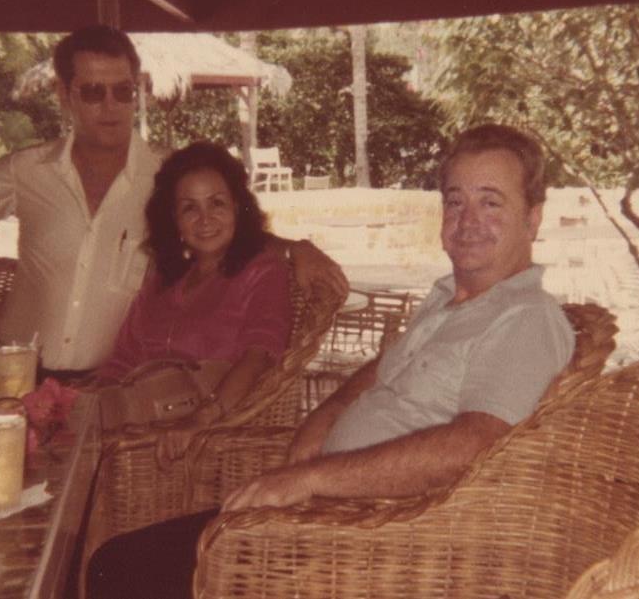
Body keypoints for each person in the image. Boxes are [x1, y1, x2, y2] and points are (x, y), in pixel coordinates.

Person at [87, 123, 576, 598]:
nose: (467, 220)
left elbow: (478, 444)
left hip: (374, 544)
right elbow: (384, 368)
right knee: (119, 558)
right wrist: (328, 413)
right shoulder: (451, 300)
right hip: (324, 514)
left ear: (532, 218)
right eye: (455, 201)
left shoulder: (524, 317)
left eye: (491, 202)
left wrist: (309, 479)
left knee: (125, 570)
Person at [0, 25, 346, 379]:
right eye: (93, 92)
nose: (110, 106)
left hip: (114, 391)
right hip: (18, 378)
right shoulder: (26, 171)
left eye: (123, 91)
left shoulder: (168, 176)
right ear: (63, 94)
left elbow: (222, 228)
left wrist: (294, 249)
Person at [96, 141, 293, 458]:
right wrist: (88, 407)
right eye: (190, 208)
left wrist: (203, 418)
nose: (205, 219)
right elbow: (122, 361)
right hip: (137, 436)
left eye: (217, 203)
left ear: (237, 207)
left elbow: (259, 356)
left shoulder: (263, 271)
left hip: (212, 440)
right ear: (173, 219)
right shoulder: (162, 281)